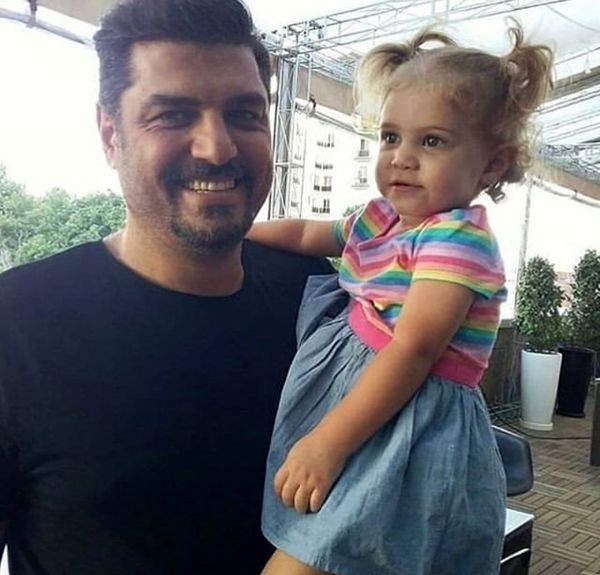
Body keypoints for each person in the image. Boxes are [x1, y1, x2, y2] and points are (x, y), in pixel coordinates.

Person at [0, 0, 332, 573]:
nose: (217, 147)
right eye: (173, 115)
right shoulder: (16, 324)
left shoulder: (318, 295)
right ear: (111, 136)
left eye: (245, 115)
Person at [248, 22, 553, 575]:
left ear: (491, 163)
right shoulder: (380, 219)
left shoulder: (457, 239)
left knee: (320, 556)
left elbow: (414, 349)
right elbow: (306, 233)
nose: (402, 157)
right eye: (391, 137)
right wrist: (240, 233)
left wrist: (328, 443)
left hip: (405, 424)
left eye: (431, 141)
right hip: (360, 408)